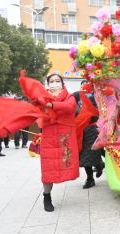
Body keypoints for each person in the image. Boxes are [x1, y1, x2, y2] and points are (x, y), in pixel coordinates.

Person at [39, 73, 79, 211]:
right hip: (49, 137)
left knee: (64, 164)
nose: (55, 83)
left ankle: (48, 194)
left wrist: (51, 105)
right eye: (52, 81)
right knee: (48, 169)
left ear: (62, 83)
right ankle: (46, 196)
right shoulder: (42, 97)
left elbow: (70, 107)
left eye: (57, 81)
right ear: (47, 83)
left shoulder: (70, 96)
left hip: (65, 137)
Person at [73, 81, 104, 189]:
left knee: (91, 153)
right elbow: (71, 108)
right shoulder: (77, 95)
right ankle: (91, 177)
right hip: (80, 129)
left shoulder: (99, 95)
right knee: (84, 155)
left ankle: (98, 166)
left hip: (94, 128)